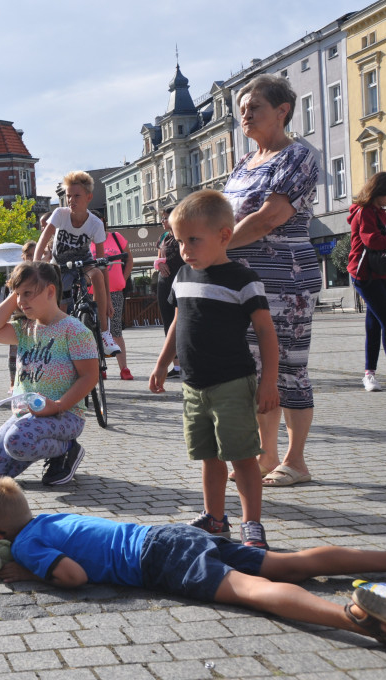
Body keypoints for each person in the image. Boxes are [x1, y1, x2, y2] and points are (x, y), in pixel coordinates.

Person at [0, 476, 386, 646]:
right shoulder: (48, 518)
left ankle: (356, 619)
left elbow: (72, 576)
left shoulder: (26, 544)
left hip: (157, 559)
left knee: (251, 591)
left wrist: (30, 569)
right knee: (289, 562)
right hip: (169, 533)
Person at [149, 190, 279, 549]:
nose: (185, 249)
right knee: (208, 456)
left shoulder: (242, 278)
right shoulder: (183, 276)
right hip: (194, 385)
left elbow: (267, 333)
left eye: (193, 239)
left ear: (224, 235)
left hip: (232, 383)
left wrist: (269, 382)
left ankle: (252, 523)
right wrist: (162, 363)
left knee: (242, 458)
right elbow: (177, 322)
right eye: (179, 241)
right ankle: (215, 518)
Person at [223, 74, 321, 488]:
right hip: (244, 281)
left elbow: (270, 217)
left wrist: (218, 248)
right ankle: (266, 456)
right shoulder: (244, 162)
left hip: (287, 281)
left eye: (255, 106)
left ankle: (296, 461)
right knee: (256, 369)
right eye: (241, 108)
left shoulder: (298, 156)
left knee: (288, 368)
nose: (245, 113)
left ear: (282, 111)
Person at [0, 261, 99, 485]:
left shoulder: (74, 330)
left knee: (17, 441)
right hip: (27, 416)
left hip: (66, 415)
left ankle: (67, 449)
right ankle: (44, 449)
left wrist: (58, 405)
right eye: (17, 295)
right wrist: (15, 295)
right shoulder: (24, 328)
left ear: (50, 291)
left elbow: (90, 376)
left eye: (28, 294)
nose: (21, 302)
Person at [35, 172, 121, 357]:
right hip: (60, 265)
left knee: (97, 273)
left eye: (76, 196)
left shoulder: (96, 223)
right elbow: (43, 239)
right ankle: (58, 346)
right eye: (68, 196)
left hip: (84, 263)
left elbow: (101, 263)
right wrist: (35, 264)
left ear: (88, 197)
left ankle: (105, 334)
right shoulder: (60, 214)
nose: (71, 200)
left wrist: (106, 299)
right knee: (61, 307)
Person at [347, 171, 386, 392]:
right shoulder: (364, 212)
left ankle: (369, 376)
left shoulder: (381, 213)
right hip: (365, 275)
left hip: (381, 274)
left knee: (374, 325)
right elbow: (373, 240)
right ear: (379, 191)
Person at [94, 228, 133, 379]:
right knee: (95, 330)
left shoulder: (116, 237)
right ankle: (99, 367)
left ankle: (124, 368)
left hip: (115, 289)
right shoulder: (85, 240)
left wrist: (123, 278)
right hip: (93, 292)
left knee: (115, 329)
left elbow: (129, 259)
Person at [0, 241, 37, 392]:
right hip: (20, 317)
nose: (31, 258)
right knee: (15, 354)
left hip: (37, 317)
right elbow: (13, 294)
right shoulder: (19, 272)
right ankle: (12, 382)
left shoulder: (43, 273)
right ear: (23, 256)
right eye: (28, 255)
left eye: (33, 254)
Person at [154, 206, 182, 377]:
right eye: (162, 218)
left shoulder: (183, 234)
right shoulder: (163, 236)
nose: (162, 221)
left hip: (181, 281)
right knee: (168, 322)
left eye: (165, 218)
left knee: (183, 322)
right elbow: (157, 258)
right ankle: (176, 366)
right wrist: (160, 264)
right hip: (164, 283)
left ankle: (187, 364)